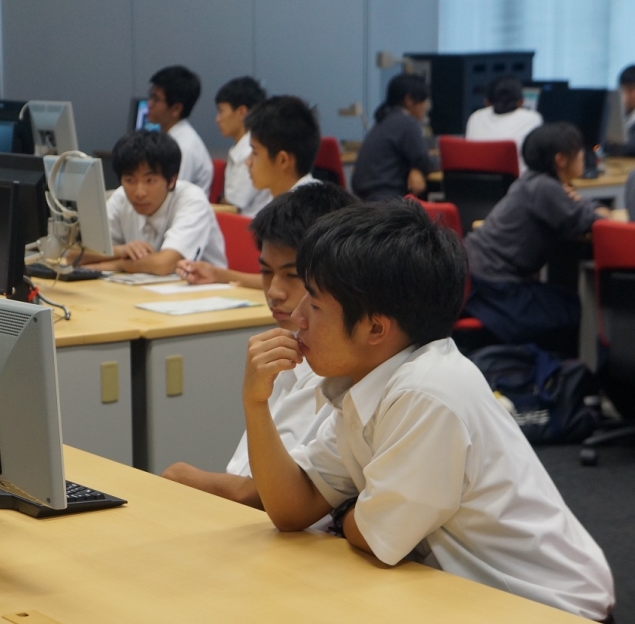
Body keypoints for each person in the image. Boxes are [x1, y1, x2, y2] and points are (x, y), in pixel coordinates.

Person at [242, 199, 614, 621]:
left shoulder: (427, 392)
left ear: (376, 328)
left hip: (550, 609)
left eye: (314, 303)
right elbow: (294, 508)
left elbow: (374, 539)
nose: (296, 316)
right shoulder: (369, 380)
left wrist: (347, 510)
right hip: (469, 596)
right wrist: (256, 405)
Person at [162, 184, 356, 508]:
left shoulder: (333, 367)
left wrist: (184, 476)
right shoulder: (287, 343)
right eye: (265, 272)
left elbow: (268, 494)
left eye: (292, 275)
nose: (274, 292)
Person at [464, 123, 610, 355]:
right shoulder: (546, 189)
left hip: (477, 278)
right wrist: (585, 204)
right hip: (496, 288)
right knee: (576, 310)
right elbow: (595, 220)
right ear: (561, 159)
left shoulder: (530, 182)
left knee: (563, 301)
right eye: (579, 150)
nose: (584, 154)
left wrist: (573, 200)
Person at [178, 95, 322, 288]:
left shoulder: (311, 211)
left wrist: (220, 275)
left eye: (254, 152)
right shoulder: (277, 201)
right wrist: (216, 273)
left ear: (282, 160)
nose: (248, 162)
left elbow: (298, 284)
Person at [77, 130, 225, 275]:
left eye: (150, 181)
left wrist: (119, 263)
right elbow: (75, 256)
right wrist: (121, 251)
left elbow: (164, 264)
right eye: (130, 180)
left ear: (172, 180)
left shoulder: (192, 200)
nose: (139, 192)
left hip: (203, 293)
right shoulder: (121, 197)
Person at [351, 73, 434, 201]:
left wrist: (413, 167)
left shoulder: (385, 120)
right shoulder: (407, 123)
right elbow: (424, 162)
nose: (426, 106)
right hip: (386, 200)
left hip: (366, 199)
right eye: (424, 101)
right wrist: (434, 162)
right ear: (409, 100)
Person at [146, 65, 214, 196]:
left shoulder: (184, 147)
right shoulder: (168, 138)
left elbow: (171, 195)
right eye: (150, 96)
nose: (149, 103)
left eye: (156, 99)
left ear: (176, 109)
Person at [214, 77, 271, 216]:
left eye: (221, 111)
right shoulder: (242, 147)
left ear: (241, 112)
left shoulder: (250, 151)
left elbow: (232, 207)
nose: (217, 119)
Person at [465, 75, 543, 173]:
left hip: (476, 183)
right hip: (517, 185)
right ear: (521, 102)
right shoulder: (532, 118)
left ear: (487, 102)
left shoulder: (475, 117)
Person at [605, 65, 635, 157]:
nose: (624, 95)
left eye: (630, 90)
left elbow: (629, 148)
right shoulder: (615, 115)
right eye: (622, 89)